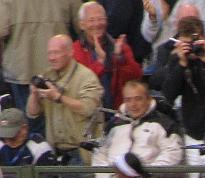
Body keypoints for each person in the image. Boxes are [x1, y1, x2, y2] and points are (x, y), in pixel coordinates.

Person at [155, 16, 205, 147]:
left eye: (194, 42)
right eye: (186, 44)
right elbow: (168, 95)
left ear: (204, 38)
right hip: (191, 133)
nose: (191, 48)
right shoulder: (178, 59)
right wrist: (181, 64)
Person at [25, 35, 104, 166]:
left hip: (80, 153)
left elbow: (88, 108)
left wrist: (58, 97)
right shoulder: (47, 75)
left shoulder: (86, 77)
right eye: (49, 53)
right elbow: (32, 113)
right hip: (56, 153)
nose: (52, 58)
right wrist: (34, 94)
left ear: (70, 52)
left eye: (56, 52)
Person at [91, 80, 183, 178]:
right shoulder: (114, 124)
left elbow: (172, 154)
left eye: (138, 99)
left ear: (148, 99)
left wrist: (144, 176)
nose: (133, 104)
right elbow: (100, 154)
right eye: (128, 100)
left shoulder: (164, 124)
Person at [0, 0, 82, 111]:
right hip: (59, 71)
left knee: (28, 120)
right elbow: (82, 26)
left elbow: (2, 30)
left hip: (20, 72)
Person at [72, 2, 144, 110]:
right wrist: (100, 63)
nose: (97, 24)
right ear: (81, 25)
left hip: (118, 113)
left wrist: (120, 58)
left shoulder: (120, 46)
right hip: (88, 113)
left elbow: (136, 77)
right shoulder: (74, 50)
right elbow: (78, 84)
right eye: (91, 20)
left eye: (101, 19)